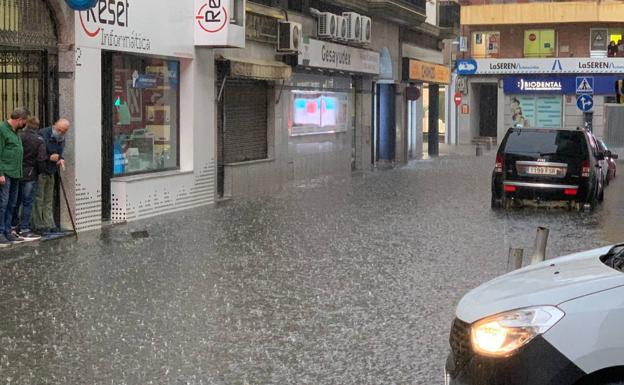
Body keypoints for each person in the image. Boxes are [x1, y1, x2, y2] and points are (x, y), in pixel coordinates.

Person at [32, 118, 70, 234]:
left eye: (64, 131)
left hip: (51, 171)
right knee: (38, 198)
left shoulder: (61, 138)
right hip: (40, 171)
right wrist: (49, 157)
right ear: (55, 125)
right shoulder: (43, 134)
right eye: (59, 130)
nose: (61, 133)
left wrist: (60, 159)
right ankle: (38, 225)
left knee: (48, 199)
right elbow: (36, 153)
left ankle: (49, 224)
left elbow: (59, 153)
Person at [12, 117, 47, 240]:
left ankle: (12, 226)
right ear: (37, 126)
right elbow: (41, 159)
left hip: (16, 172)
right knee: (27, 202)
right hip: (30, 175)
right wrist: (43, 172)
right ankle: (24, 229)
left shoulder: (19, 136)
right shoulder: (39, 140)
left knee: (15, 201)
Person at [0, 108, 29, 246]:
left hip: (15, 173)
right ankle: (0, 232)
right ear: (20, 119)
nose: (25, 124)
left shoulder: (15, 132)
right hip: (5, 173)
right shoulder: (2, 129)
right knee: (3, 204)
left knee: (11, 204)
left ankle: (7, 231)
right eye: (24, 121)